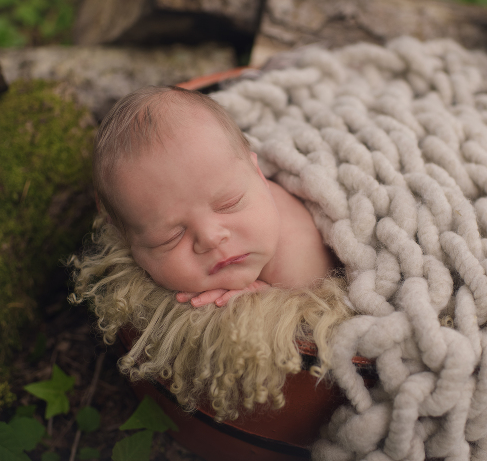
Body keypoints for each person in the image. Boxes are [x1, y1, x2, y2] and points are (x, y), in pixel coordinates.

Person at [93, 85, 337, 308]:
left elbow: (321, 306)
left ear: (259, 175)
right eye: (170, 238)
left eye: (229, 204)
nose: (210, 238)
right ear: (128, 242)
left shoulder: (295, 259)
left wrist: (272, 298)